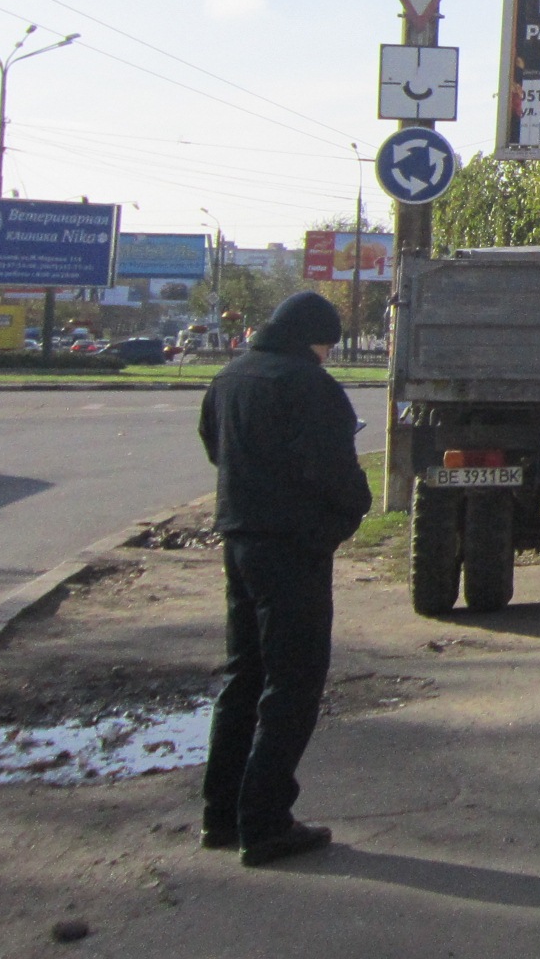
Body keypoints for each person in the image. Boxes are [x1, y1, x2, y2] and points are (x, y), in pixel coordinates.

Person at [197, 290, 370, 866]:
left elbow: (213, 446)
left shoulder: (230, 376)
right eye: (327, 345)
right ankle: (266, 822)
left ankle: (220, 814)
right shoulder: (308, 384)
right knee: (293, 683)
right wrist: (349, 513)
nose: (326, 354)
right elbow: (335, 469)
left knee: (243, 675)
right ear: (314, 339)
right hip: (293, 545)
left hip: (240, 538)